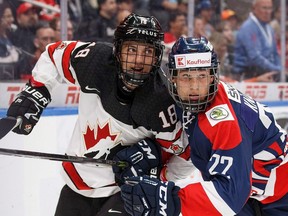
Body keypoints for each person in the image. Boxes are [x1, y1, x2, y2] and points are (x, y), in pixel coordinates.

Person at [6, 13, 188, 216]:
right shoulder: (95, 60)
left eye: (148, 52)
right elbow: (53, 54)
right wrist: (37, 92)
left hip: (125, 192)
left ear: (157, 56)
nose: (138, 60)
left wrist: (157, 174)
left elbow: (186, 156)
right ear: (118, 50)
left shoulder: (161, 101)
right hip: (77, 183)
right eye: (132, 49)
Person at [118, 36, 288, 216]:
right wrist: (158, 161)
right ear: (173, 78)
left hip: (279, 198)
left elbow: (230, 195)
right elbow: (195, 148)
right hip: (252, 193)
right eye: (186, 77)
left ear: (213, 77)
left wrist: (170, 201)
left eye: (201, 76)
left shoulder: (223, 121)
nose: (194, 87)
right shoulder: (189, 103)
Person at [233, 0, 281, 82]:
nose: (268, 12)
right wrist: (277, 69)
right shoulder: (248, 28)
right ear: (254, 8)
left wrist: (279, 68)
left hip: (267, 71)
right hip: (249, 73)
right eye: (264, 8)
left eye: (270, 8)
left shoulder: (269, 28)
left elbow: (275, 53)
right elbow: (254, 57)